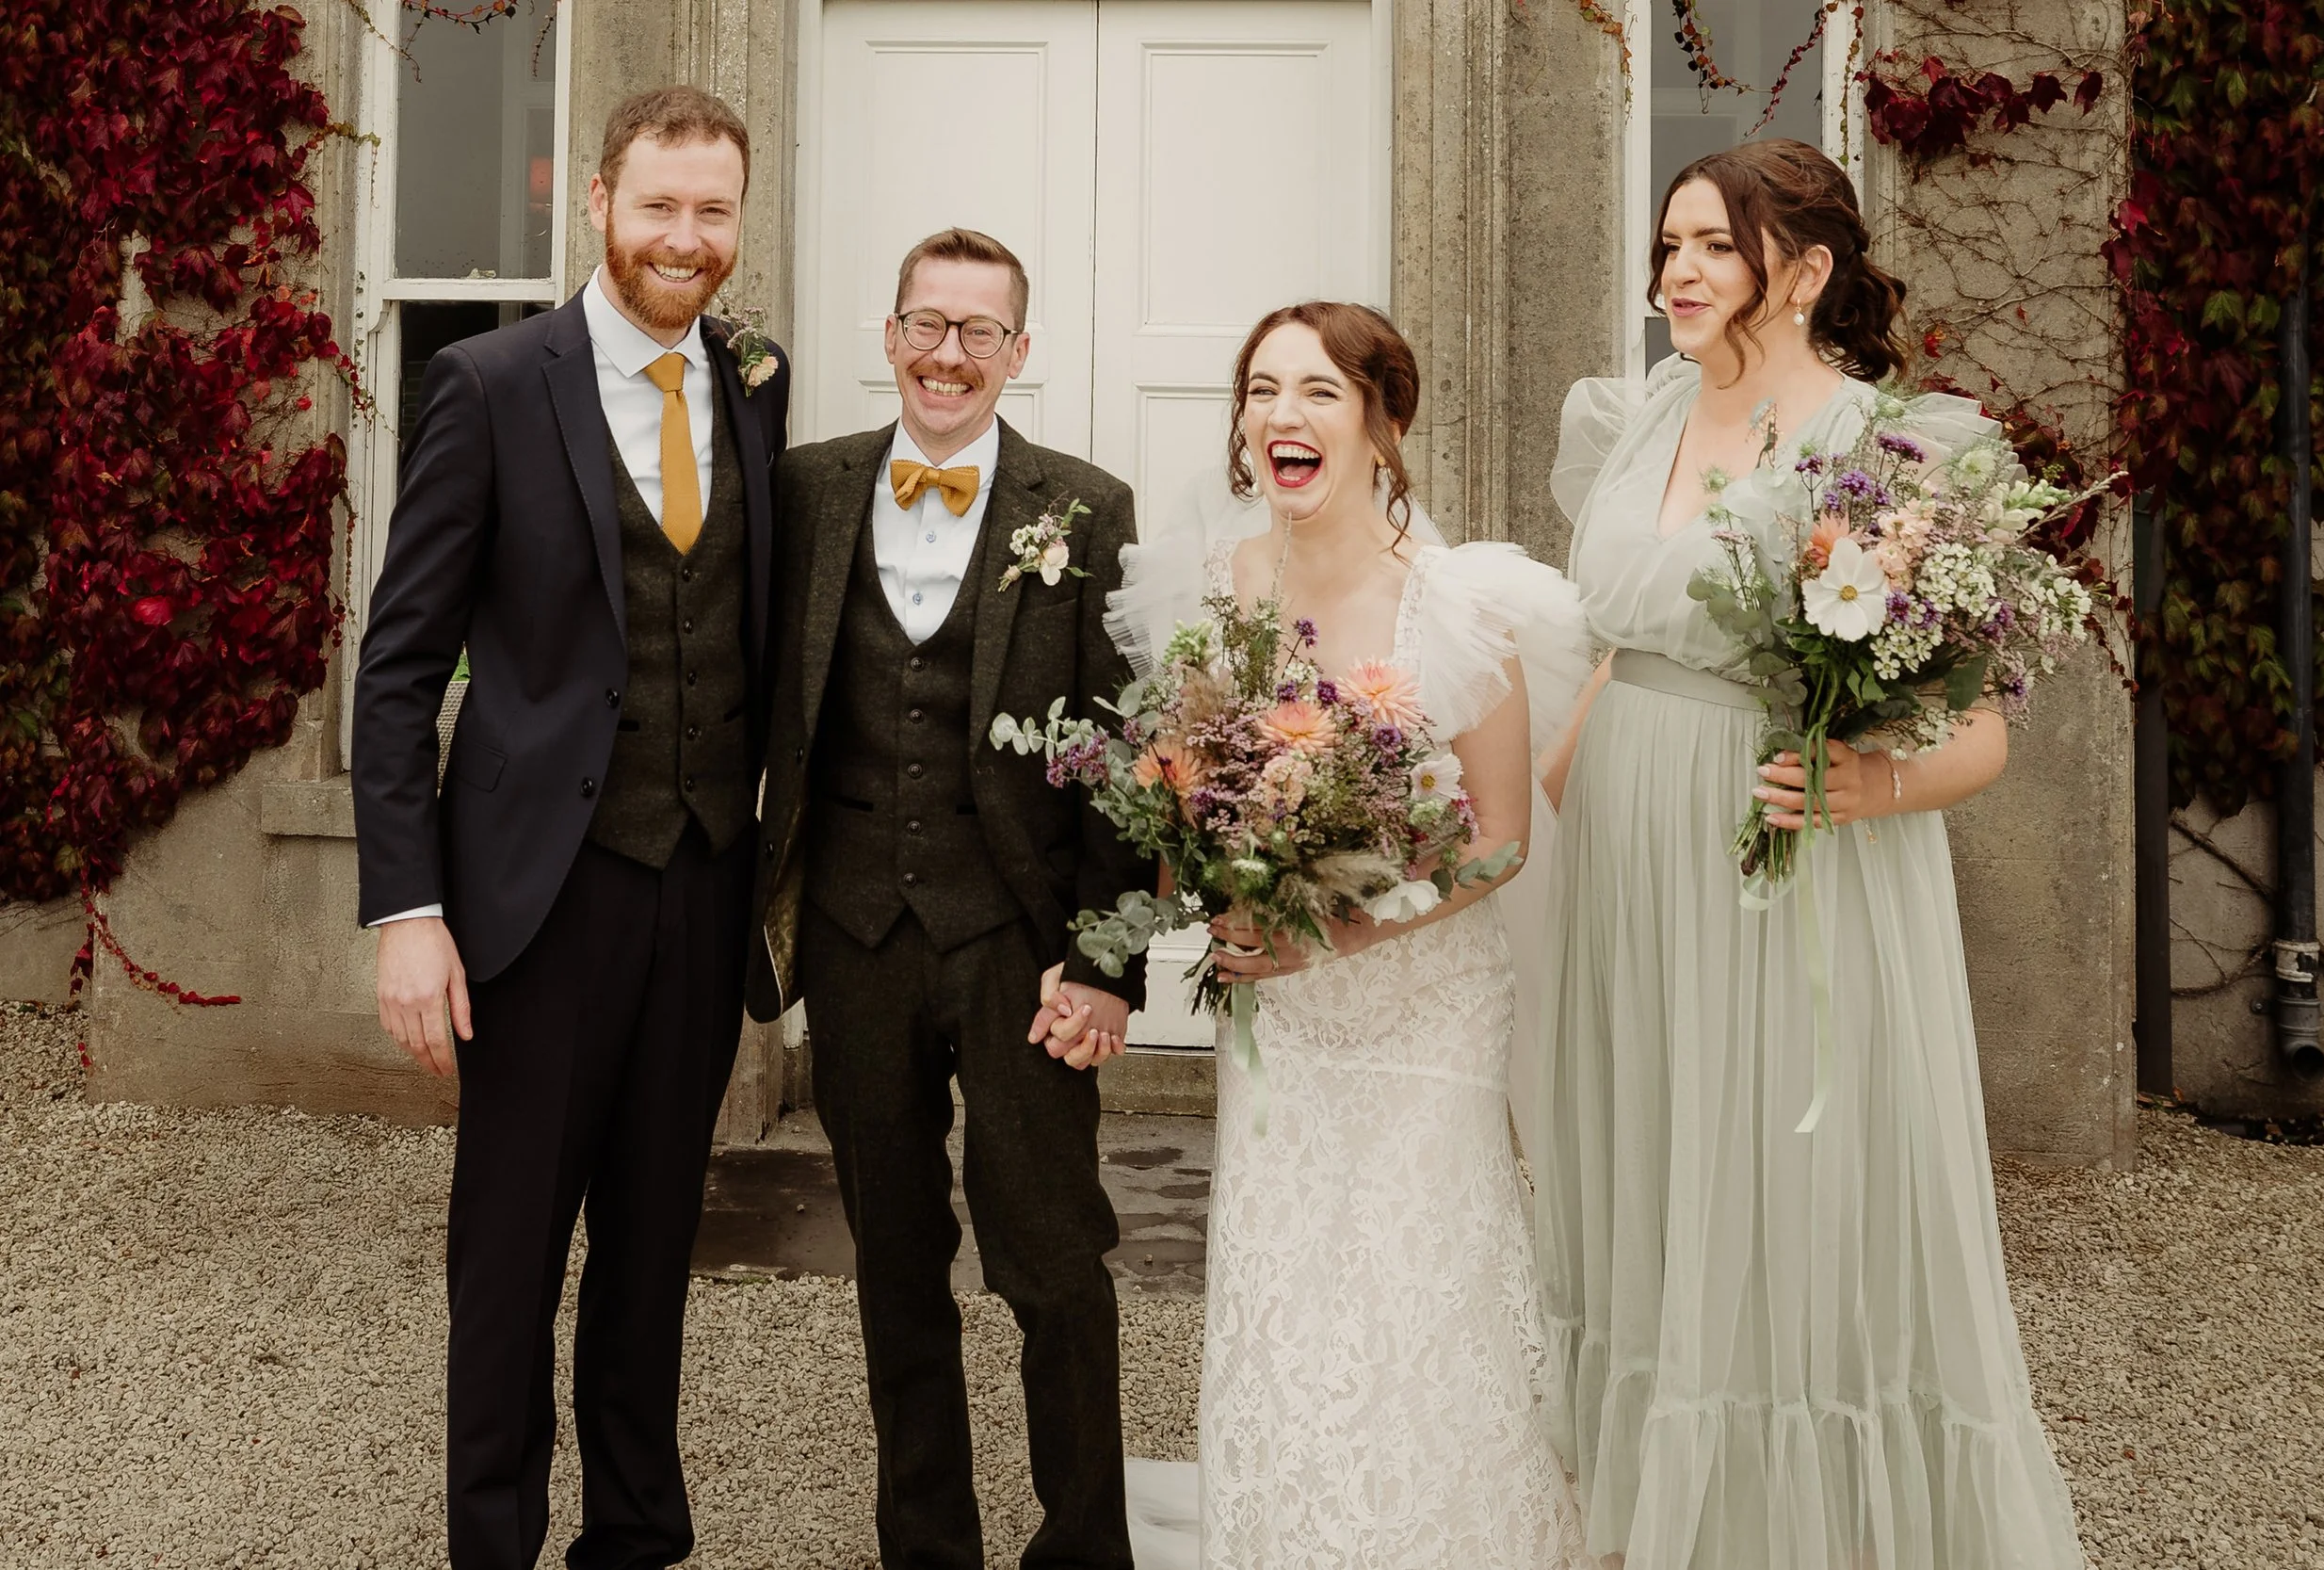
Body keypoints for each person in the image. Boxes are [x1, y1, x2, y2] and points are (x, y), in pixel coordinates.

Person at [1529, 138, 2088, 1568]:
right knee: (1652, 1169)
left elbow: (1981, 734)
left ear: (1809, 267)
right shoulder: (1636, 415)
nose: (1681, 274)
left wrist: (1862, 784)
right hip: (1626, 866)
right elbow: (1619, 629)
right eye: (1670, 247)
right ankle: (1652, 1514)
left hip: (1783, 863)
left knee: (1780, 1198)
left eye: (1714, 245)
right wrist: (1580, 746)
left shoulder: (1892, 450)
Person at [352, 87, 787, 1570]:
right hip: (532, 903)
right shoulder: (485, 385)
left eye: (713, 211)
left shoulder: (754, 380)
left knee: (655, 1244)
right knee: (512, 1253)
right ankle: (493, 1544)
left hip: (703, 880)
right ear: (597, 200)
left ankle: (634, 1537)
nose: (686, 238)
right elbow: (401, 667)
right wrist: (408, 912)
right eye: (659, 206)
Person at [1107, 301, 1592, 1569]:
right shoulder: (1213, 597)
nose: (1282, 415)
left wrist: (1338, 929)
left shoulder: (1460, 607)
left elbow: (1498, 838)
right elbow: (1186, 790)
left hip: (1427, 1004)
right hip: (1290, 1024)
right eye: (1261, 390)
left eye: (1318, 391)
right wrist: (1213, 863)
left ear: (1383, 424)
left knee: (1423, 1278)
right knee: (1287, 1287)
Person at [745, 227, 1154, 1570]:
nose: (948, 354)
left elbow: (1124, 757)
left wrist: (1108, 961)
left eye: (980, 332)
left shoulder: (1085, 508)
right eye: (926, 323)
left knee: (1051, 1256)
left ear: (1019, 355)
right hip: (859, 932)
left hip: (1019, 944)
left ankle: (1083, 1544)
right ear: (889, 335)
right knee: (897, 1262)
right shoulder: (804, 490)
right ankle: (928, 1545)